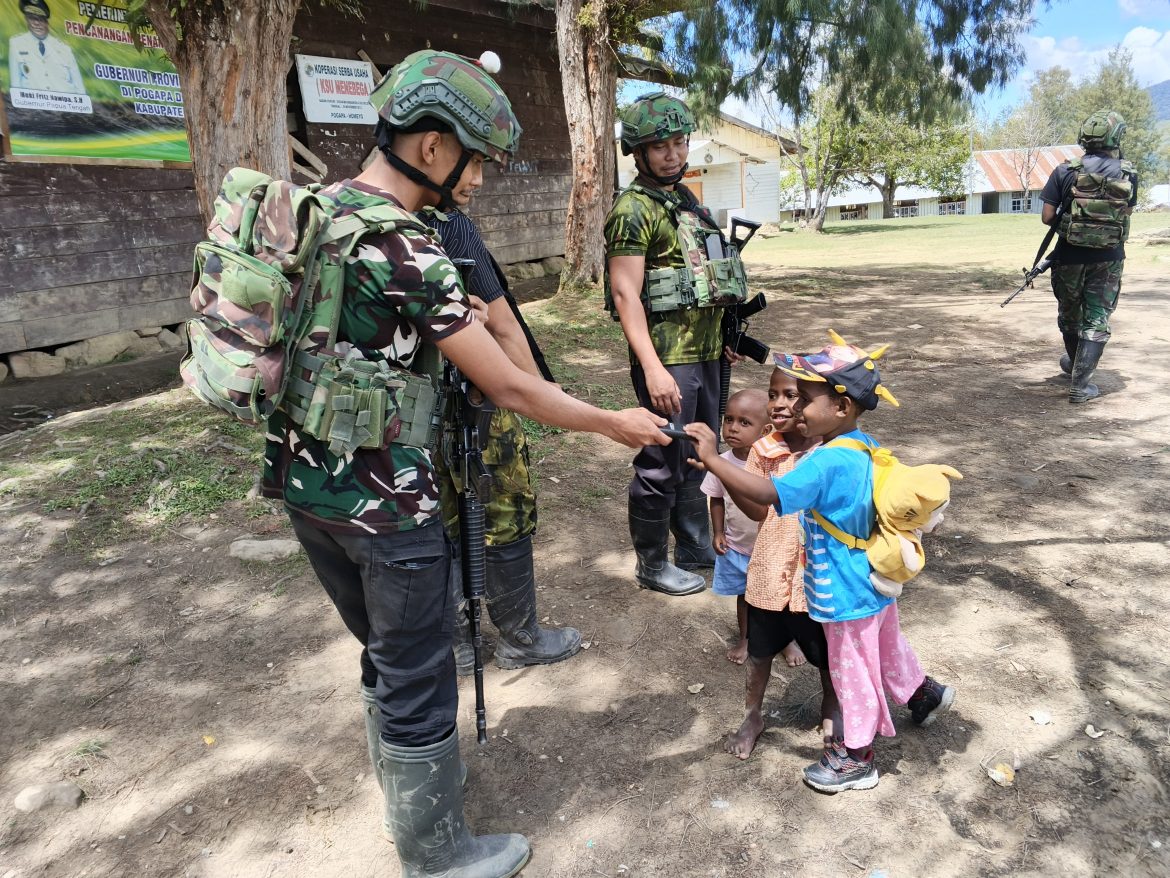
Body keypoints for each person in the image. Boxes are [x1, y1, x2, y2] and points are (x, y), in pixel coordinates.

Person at [261, 49, 667, 876]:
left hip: (306, 489)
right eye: (476, 159)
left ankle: (406, 815)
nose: (479, 180)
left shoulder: (319, 211)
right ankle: (437, 854)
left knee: (381, 653)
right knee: (417, 667)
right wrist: (609, 423)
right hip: (387, 503)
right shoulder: (410, 248)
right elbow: (512, 386)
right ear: (435, 149)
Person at [684, 335, 955, 793]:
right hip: (871, 579)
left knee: (851, 672)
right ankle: (925, 693)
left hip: (843, 590)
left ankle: (855, 759)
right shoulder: (862, 445)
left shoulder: (828, 460)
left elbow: (770, 496)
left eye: (805, 400)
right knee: (884, 647)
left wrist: (712, 458)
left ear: (842, 408)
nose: (796, 409)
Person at [422, 205, 581, 672]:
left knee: (438, 516)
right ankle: (520, 636)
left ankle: (455, 642)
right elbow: (505, 326)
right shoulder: (450, 226)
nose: (476, 181)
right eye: (471, 162)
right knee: (505, 508)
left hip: (408, 411)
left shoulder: (380, 227)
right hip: (477, 396)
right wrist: (543, 397)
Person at [605, 91, 746, 597]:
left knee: (697, 450)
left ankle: (690, 543)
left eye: (680, 142)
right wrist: (652, 368)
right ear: (638, 152)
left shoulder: (686, 202)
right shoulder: (633, 209)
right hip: (669, 356)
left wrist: (724, 337)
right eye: (660, 145)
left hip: (705, 352)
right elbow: (625, 293)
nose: (673, 154)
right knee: (661, 456)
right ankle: (650, 563)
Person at [723, 366, 830, 760]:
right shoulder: (763, 450)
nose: (779, 403)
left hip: (815, 578)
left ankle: (830, 712)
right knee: (760, 652)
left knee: (826, 657)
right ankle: (753, 716)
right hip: (768, 570)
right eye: (774, 394)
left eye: (791, 394)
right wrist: (725, 473)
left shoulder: (833, 453)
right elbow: (755, 511)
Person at [1039, 109, 1138, 403]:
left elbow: (1047, 217)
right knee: (1097, 317)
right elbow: (1127, 212)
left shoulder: (1065, 171)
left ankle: (1075, 366)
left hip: (1068, 256)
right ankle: (1081, 383)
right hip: (1109, 257)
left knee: (1070, 314)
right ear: (1116, 136)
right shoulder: (1128, 173)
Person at [700, 388, 769, 663]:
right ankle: (746, 638)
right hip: (738, 546)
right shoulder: (721, 462)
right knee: (745, 596)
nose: (732, 428)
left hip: (770, 548)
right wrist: (717, 531)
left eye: (744, 422)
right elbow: (716, 498)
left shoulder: (771, 463)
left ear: (765, 431)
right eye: (728, 419)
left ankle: (787, 642)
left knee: (782, 600)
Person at [8, 0, 86, 95]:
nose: (36, 23)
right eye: (32, 18)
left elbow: (79, 88)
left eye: (40, 18)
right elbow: (16, 84)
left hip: (65, 106)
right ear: (26, 19)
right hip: (32, 107)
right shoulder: (17, 44)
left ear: (47, 22)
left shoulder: (64, 48)